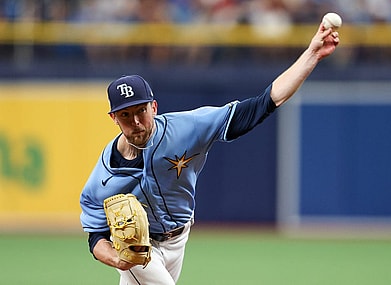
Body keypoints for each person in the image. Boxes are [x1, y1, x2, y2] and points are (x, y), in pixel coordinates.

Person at [79, 22, 340, 285]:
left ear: (154, 107)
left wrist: (312, 54)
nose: (135, 121)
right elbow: (95, 236)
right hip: (142, 251)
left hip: (179, 239)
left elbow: (264, 103)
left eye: (140, 111)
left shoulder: (186, 129)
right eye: (125, 114)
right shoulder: (105, 176)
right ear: (113, 118)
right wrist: (117, 259)